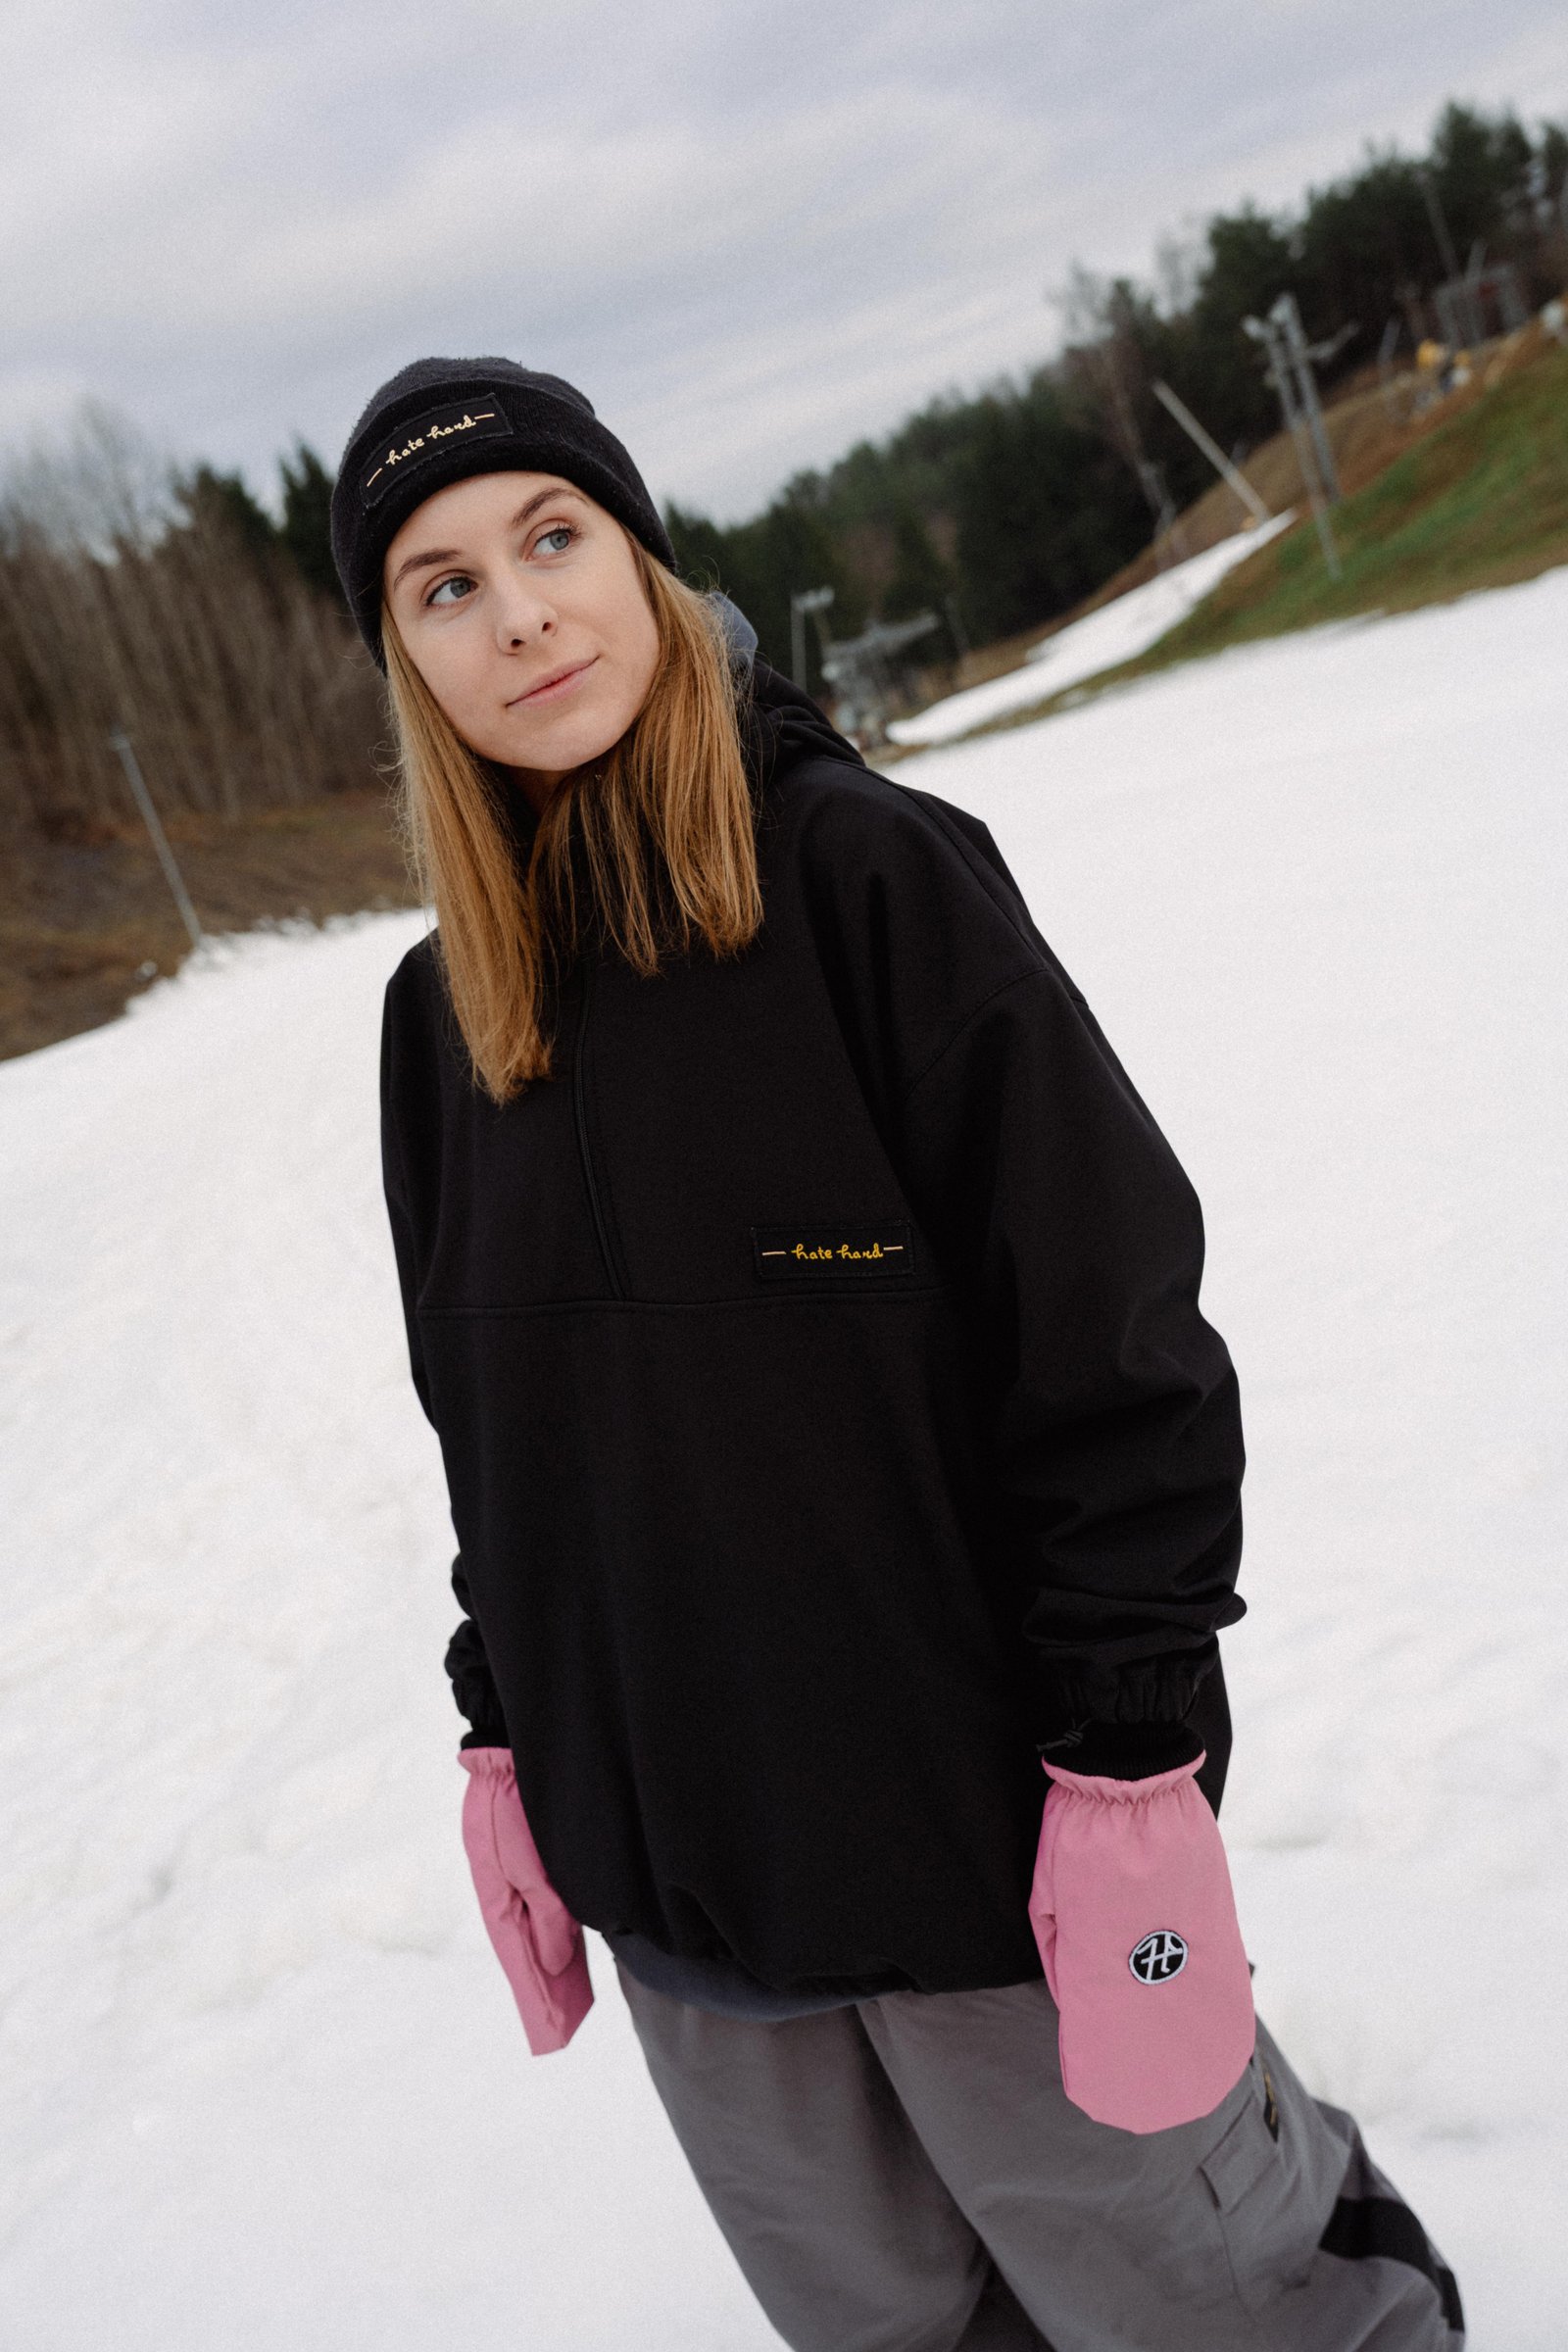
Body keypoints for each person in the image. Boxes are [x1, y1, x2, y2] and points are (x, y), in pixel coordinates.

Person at [331, 357, 1465, 2351]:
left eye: (550, 537)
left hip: (986, 1862)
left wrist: (1126, 1754)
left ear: (638, 556)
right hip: (688, 1911)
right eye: (443, 587)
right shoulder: (443, 1022)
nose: (516, 615)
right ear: (406, 662)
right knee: (885, 2325)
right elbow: (491, 1445)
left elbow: (1111, 1341)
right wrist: (509, 1730)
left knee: (1213, 2301)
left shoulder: (866, 877)